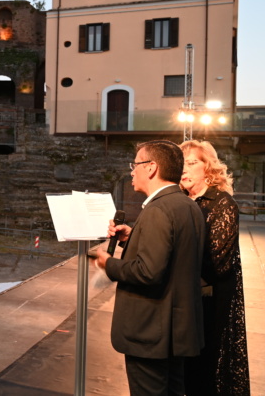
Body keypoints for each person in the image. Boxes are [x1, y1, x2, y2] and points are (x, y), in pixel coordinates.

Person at [97, 140, 206, 396]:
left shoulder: (158, 210)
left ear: (152, 168)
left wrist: (108, 263)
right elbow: (176, 255)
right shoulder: (187, 205)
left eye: (135, 165)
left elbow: (148, 272)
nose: (132, 171)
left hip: (151, 332)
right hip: (176, 331)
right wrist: (132, 237)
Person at [179, 140, 250, 395]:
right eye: (181, 164)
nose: (184, 170)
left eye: (192, 163)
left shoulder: (222, 203)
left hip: (212, 301)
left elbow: (218, 262)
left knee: (205, 370)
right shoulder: (182, 202)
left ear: (208, 167)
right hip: (186, 299)